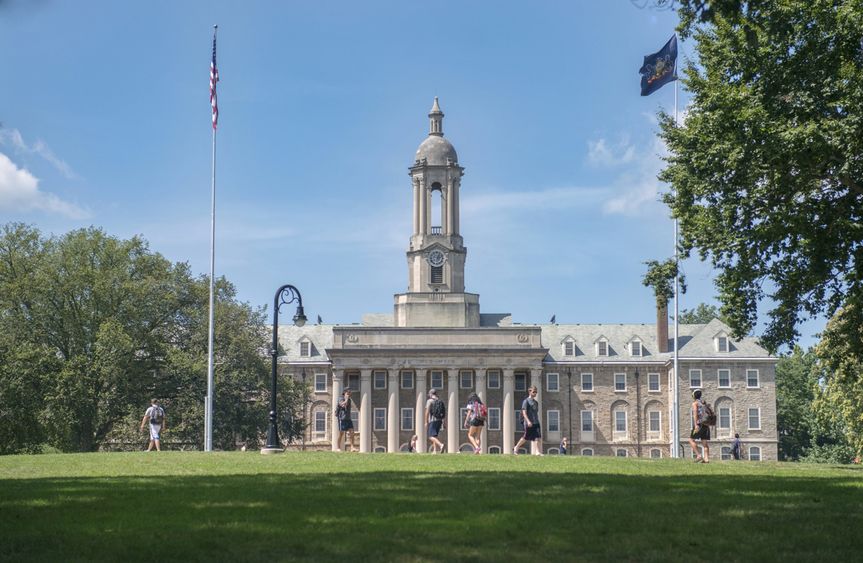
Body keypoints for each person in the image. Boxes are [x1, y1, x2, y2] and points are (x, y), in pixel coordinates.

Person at [514, 385, 542, 456]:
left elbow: (535, 412)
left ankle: (537, 452)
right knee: (525, 437)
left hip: (536, 422)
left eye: (536, 392)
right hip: (529, 422)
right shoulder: (526, 401)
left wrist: (536, 421)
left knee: (537, 437)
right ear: (529, 392)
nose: (535, 393)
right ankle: (516, 447)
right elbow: (524, 413)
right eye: (534, 392)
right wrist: (528, 421)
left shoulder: (536, 402)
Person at [688, 389, 711, 463]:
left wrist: (696, 425)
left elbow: (695, 414)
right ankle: (706, 459)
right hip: (706, 424)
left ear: (694, 396)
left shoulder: (695, 403)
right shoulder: (703, 402)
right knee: (704, 442)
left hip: (699, 424)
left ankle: (699, 455)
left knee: (691, 440)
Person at [425, 388, 446, 453]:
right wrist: (444, 422)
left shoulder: (430, 401)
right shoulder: (440, 401)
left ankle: (441, 445)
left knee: (431, 436)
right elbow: (444, 412)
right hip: (440, 420)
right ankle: (434, 450)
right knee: (434, 436)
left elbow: (427, 411)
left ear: (431, 394)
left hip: (433, 420)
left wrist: (426, 422)